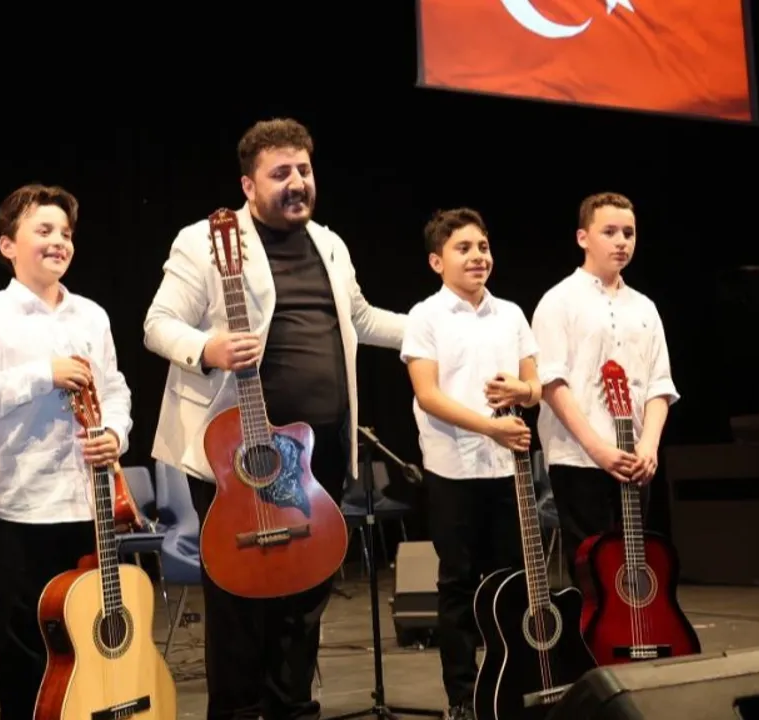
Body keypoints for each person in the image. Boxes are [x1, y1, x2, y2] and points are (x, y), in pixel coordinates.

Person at [143, 117, 406, 719]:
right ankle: (237, 712)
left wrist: (438, 331)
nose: (297, 183)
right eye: (280, 173)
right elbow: (158, 324)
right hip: (237, 454)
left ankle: (294, 708)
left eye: (304, 170)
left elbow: (362, 319)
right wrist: (207, 348)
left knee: (305, 593)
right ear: (248, 184)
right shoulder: (203, 241)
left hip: (317, 453)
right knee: (239, 598)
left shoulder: (330, 244)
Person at [0, 184, 133, 720]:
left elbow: (115, 388)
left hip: (88, 503)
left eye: (66, 233)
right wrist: (40, 374)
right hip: (20, 506)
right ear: (8, 245)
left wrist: (115, 433)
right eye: (44, 230)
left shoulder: (91, 315)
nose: (59, 242)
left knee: (90, 637)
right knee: (26, 648)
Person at [400, 208, 538, 720]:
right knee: (457, 583)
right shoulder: (425, 316)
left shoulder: (511, 314)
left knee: (510, 582)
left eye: (483, 246)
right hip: (453, 470)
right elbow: (428, 394)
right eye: (464, 248)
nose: (478, 256)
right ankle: (462, 695)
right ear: (437, 261)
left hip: (507, 469)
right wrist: (490, 427)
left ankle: (513, 684)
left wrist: (522, 389)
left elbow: (536, 385)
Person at [531, 192, 679, 583]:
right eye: (609, 232)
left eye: (628, 233)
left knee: (631, 570)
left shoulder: (644, 307)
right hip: (578, 457)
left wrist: (648, 446)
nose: (621, 242)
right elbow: (551, 383)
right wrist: (598, 449)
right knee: (593, 573)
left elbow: (659, 384)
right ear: (583, 238)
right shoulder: (558, 301)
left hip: (634, 459)